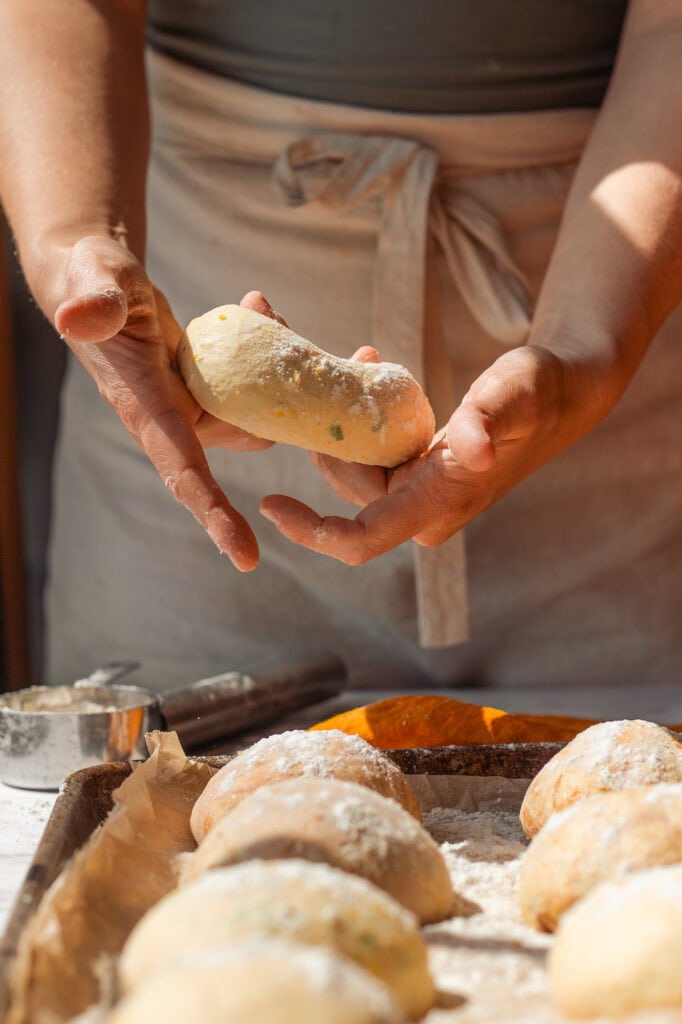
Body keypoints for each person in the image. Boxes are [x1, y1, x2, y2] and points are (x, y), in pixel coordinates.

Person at [0, 1, 680, 692]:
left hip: (609, 322)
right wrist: (77, 238)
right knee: (164, 787)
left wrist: (584, 355)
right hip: (183, 360)